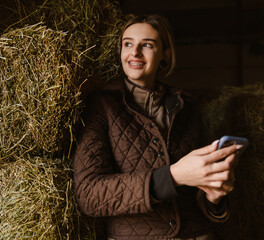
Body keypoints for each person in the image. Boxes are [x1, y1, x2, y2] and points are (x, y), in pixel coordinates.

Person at [73, 14, 242, 240]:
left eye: (147, 45)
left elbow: (197, 191)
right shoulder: (102, 106)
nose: (135, 52)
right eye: (128, 44)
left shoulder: (187, 106)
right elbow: (89, 195)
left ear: (165, 55)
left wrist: (214, 197)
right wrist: (172, 177)